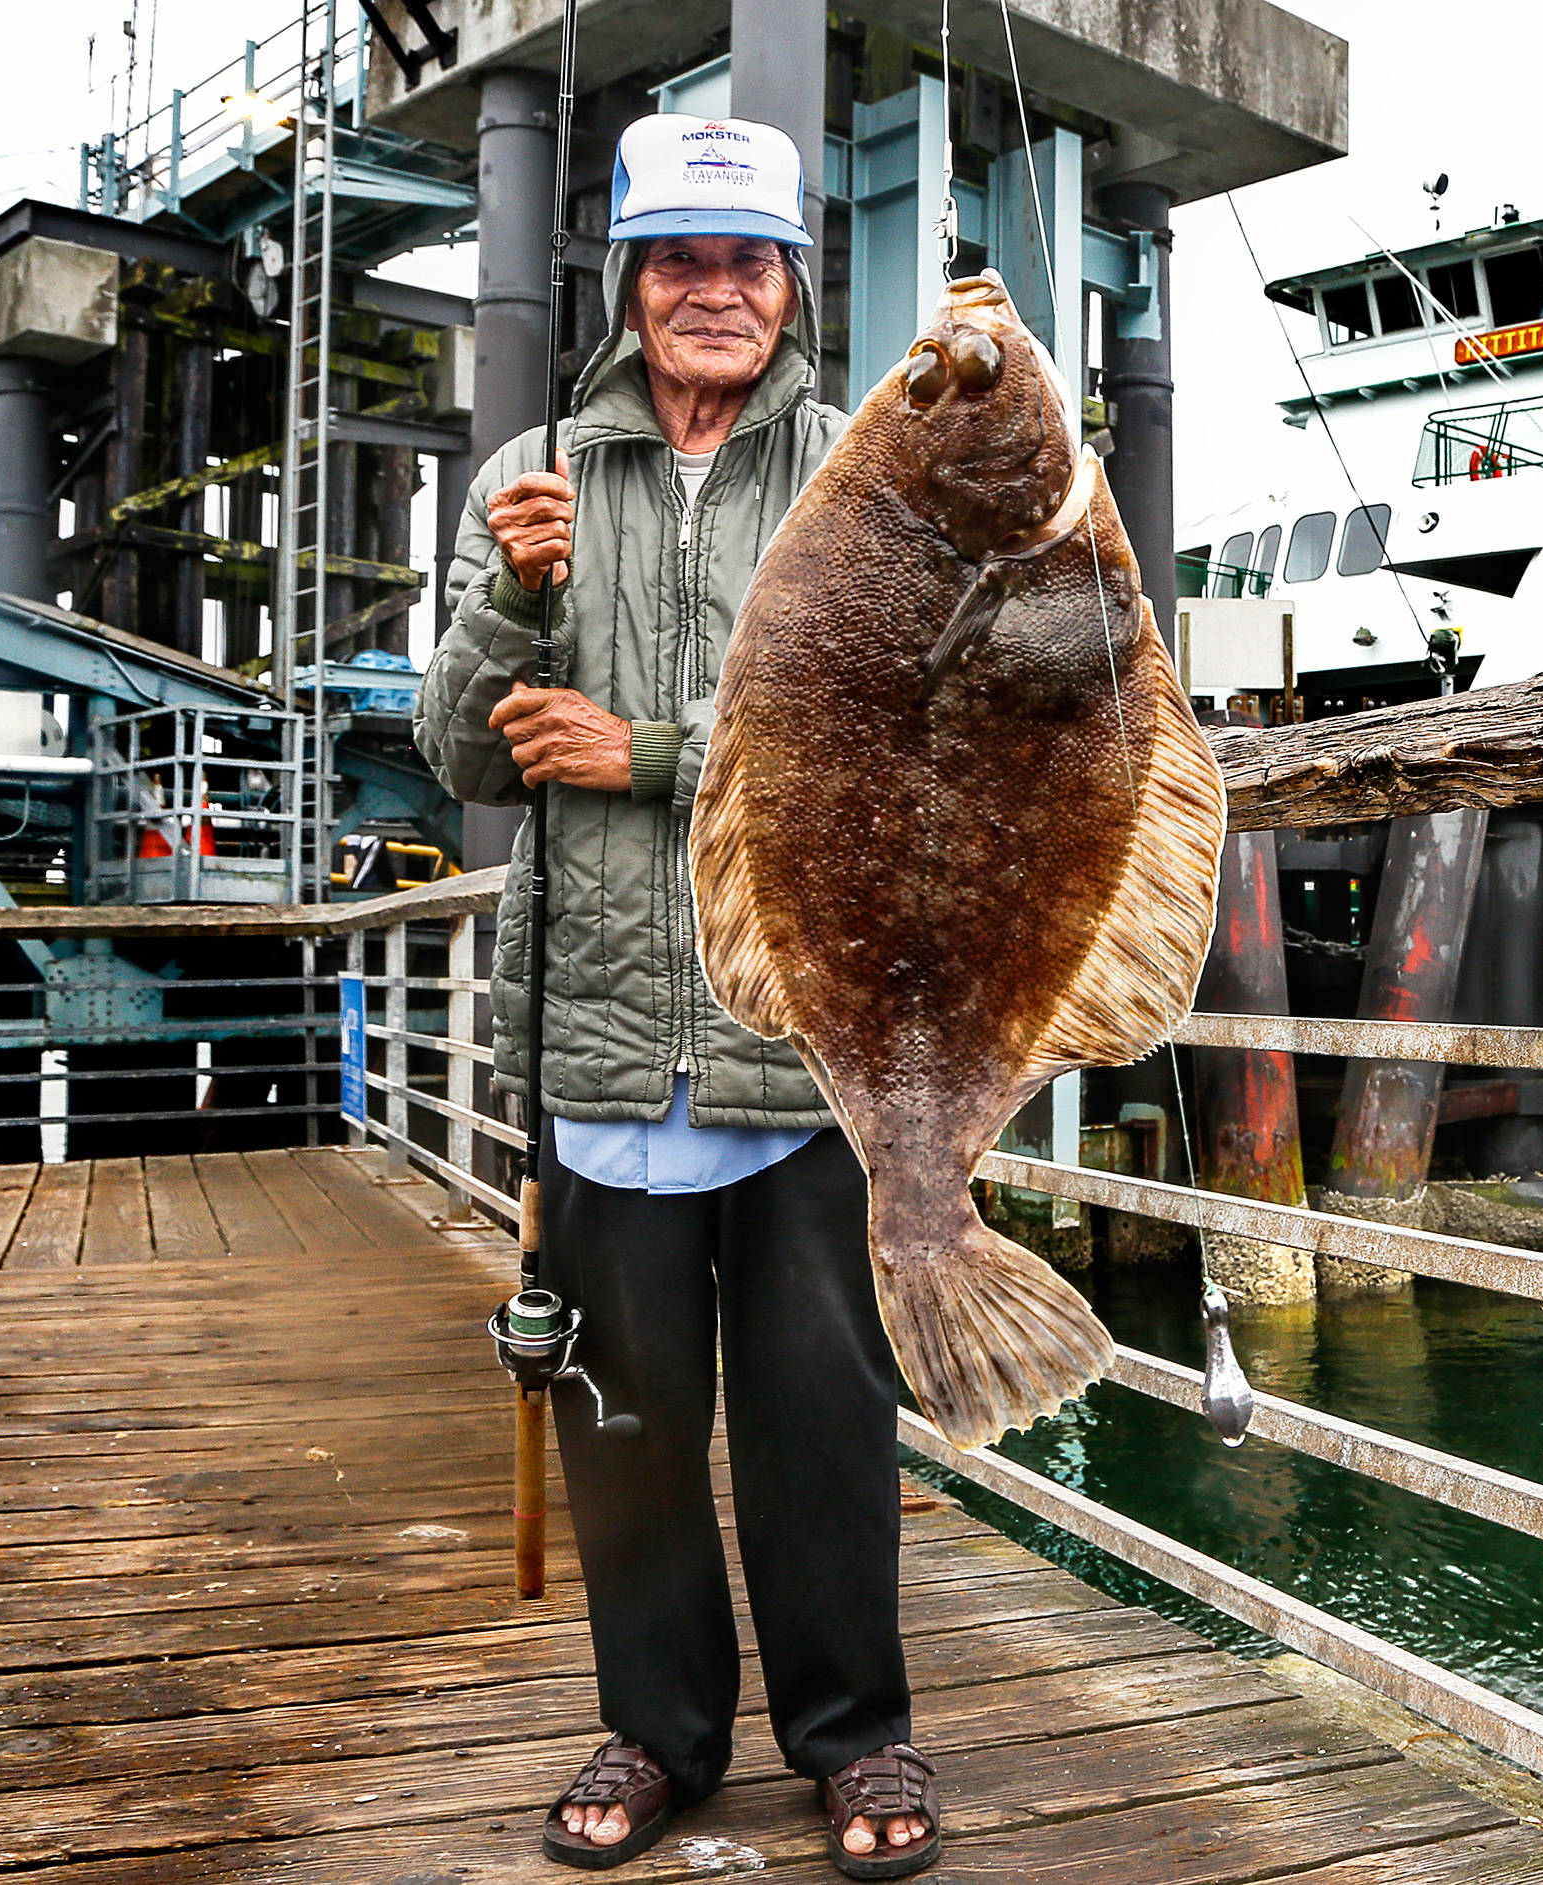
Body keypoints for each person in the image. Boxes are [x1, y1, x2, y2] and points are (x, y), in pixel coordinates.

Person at [416, 113, 939, 1878]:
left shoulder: (864, 469)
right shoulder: (538, 465)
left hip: (806, 1029)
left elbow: (890, 742)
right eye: (678, 260)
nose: (714, 291)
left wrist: (647, 752)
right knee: (626, 1425)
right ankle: (658, 1727)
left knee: (822, 1413)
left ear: (794, 278)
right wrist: (513, 591)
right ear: (631, 282)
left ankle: (856, 1738)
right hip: (604, 1033)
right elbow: (448, 747)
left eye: (746, 259)